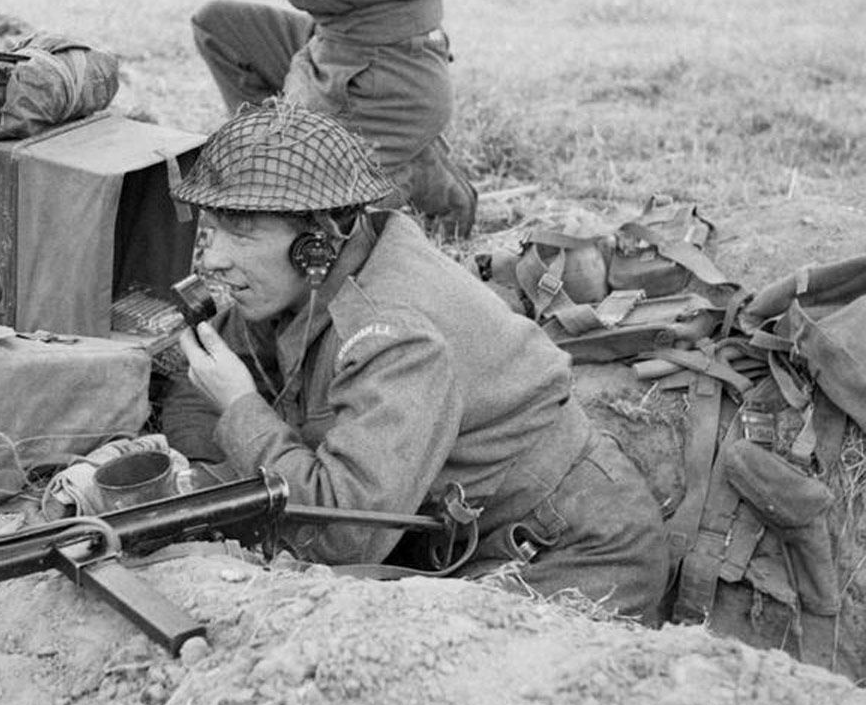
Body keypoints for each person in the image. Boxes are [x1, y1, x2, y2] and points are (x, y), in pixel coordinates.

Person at [160, 101, 670, 624]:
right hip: (463, 539)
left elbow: (340, 536)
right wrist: (195, 474)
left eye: (241, 233)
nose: (212, 259)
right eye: (213, 229)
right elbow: (202, 379)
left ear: (314, 242)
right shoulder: (314, 275)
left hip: (571, 556)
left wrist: (241, 409)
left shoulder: (395, 334)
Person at [190, 0, 478, 236]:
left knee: (307, 218)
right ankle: (274, 154)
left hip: (387, 79)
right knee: (217, 25)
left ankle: (419, 173)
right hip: (332, 42)